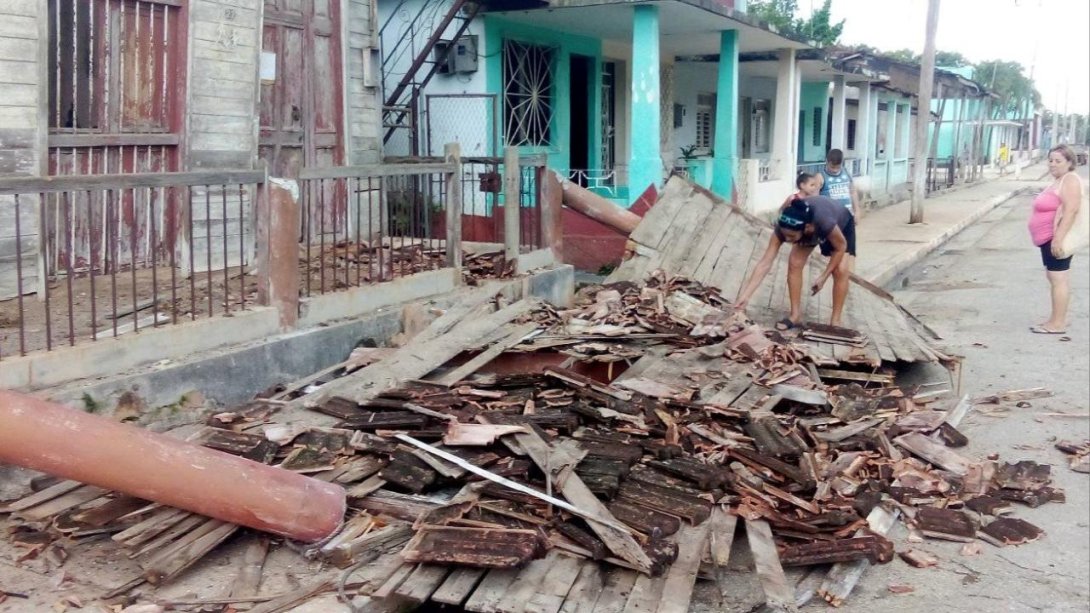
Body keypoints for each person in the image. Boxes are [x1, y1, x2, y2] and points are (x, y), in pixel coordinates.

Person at [734, 196, 855, 328]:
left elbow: (840, 247)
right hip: (810, 231)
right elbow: (765, 263)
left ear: (807, 228)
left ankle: (835, 320)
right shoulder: (784, 228)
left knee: (840, 270)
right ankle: (795, 315)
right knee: (794, 263)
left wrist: (823, 277)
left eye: (791, 237)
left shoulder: (824, 221)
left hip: (841, 226)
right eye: (785, 235)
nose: (787, 239)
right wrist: (745, 296)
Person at [1027, 145, 1083, 334]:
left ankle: (1057, 324)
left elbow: (1071, 210)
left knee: (1059, 278)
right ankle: (1055, 319)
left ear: (1069, 163)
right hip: (1047, 238)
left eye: (1058, 161)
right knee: (1054, 277)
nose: (1052, 164)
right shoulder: (1059, 180)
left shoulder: (1070, 180)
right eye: (1050, 160)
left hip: (1056, 238)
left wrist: (1058, 239)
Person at [814, 148, 862, 219]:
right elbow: (815, 198)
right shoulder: (820, 176)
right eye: (832, 167)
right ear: (827, 161)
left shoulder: (846, 173)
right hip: (829, 218)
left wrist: (857, 211)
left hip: (847, 215)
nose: (835, 170)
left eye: (838, 167)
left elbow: (853, 192)